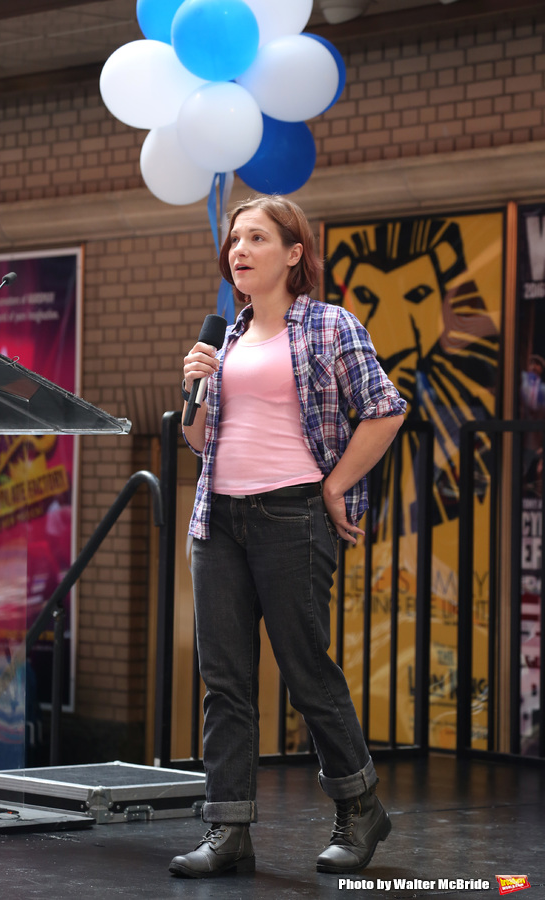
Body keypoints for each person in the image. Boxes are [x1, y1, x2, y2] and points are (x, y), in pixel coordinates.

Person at [170, 195, 406, 879]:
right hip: (218, 522)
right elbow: (197, 441)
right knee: (226, 683)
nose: (238, 250)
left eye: (256, 238)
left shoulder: (329, 326)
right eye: (235, 239)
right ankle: (229, 831)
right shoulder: (227, 339)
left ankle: (360, 807)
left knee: (306, 673)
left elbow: (384, 411)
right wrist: (195, 391)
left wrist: (335, 486)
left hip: (292, 517)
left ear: (295, 253)